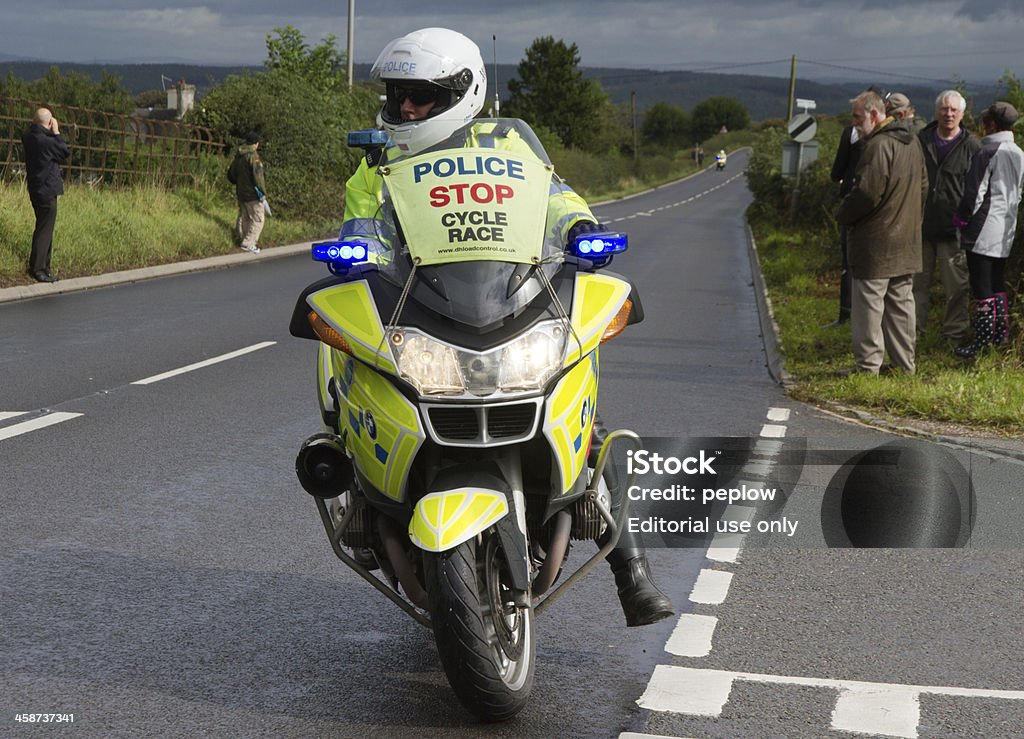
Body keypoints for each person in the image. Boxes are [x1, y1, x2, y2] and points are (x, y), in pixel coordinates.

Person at [341, 27, 674, 627]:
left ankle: (634, 572)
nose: (407, 108)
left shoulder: (508, 148)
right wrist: (358, 241)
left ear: (463, 93)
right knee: (346, 368)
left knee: (588, 421)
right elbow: (361, 224)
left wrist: (578, 231)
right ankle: (358, 482)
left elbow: (558, 197)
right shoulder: (377, 166)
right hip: (421, 311)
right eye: (398, 95)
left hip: (510, 301)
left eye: (421, 96)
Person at [836, 90, 927, 375]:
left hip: (875, 242)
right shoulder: (913, 142)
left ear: (875, 115)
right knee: (901, 305)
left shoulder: (877, 146)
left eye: (857, 117)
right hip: (907, 239)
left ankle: (868, 367)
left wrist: (843, 215)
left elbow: (865, 193)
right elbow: (924, 186)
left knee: (869, 306)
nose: (854, 124)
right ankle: (904, 365)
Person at [952, 101, 1024, 358]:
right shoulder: (1018, 152)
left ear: (991, 124)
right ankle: (1000, 336)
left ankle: (982, 344)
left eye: (985, 123)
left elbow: (974, 193)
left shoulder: (987, 152)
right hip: (1006, 227)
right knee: (996, 283)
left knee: (981, 286)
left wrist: (960, 220)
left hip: (983, 228)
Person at [915, 90, 979, 344]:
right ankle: (912, 334)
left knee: (956, 288)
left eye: (954, 110)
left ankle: (954, 335)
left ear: (962, 114)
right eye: (944, 109)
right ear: (936, 112)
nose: (948, 114)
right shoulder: (920, 141)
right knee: (915, 287)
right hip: (920, 227)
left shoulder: (972, 146)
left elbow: (979, 189)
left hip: (955, 231)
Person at [22, 107, 69, 282]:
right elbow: (64, 151)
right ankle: (39, 269)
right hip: (47, 189)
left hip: (35, 188)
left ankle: (41, 266)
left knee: (42, 227)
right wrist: (56, 132)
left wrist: (46, 127)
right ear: (49, 123)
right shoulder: (47, 141)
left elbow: (36, 131)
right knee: (45, 230)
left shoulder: (28, 137)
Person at [827, 120, 862, 327]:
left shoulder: (852, 132)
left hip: (852, 202)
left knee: (848, 260)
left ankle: (846, 314)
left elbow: (837, 170)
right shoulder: (899, 136)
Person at [227, 131, 267, 254]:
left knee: (245, 217)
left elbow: (231, 174)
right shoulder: (253, 156)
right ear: (255, 144)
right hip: (252, 194)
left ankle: (244, 239)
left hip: (241, 192)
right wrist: (263, 192)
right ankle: (249, 243)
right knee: (258, 218)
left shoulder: (239, 155)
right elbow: (258, 177)